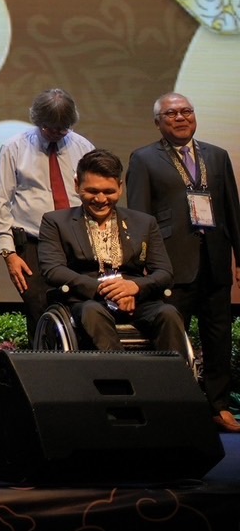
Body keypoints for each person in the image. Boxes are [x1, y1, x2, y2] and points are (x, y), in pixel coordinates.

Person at [126, 93, 240, 431]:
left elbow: (232, 211)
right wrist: (144, 264)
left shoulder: (217, 156)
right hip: (171, 265)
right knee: (172, 338)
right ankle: (174, 408)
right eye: (172, 113)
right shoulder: (144, 158)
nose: (181, 117)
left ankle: (219, 406)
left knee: (219, 337)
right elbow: (139, 216)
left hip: (215, 260)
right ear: (158, 122)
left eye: (186, 111)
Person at [38, 149, 186, 353]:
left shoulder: (144, 223)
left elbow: (164, 272)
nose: (100, 199)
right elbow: (53, 270)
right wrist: (106, 291)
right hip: (87, 300)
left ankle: (172, 373)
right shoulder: (55, 222)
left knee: (167, 314)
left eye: (109, 192)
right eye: (92, 191)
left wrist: (134, 287)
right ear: (77, 185)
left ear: (120, 187)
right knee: (92, 312)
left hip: (135, 299)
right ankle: (121, 369)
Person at [0, 88, 94, 337]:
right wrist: (9, 253)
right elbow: (0, 201)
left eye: (63, 129)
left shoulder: (83, 147)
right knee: (39, 311)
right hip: (34, 244)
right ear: (37, 120)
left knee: (83, 308)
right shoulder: (15, 147)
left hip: (78, 241)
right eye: (49, 128)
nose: (56, 133)